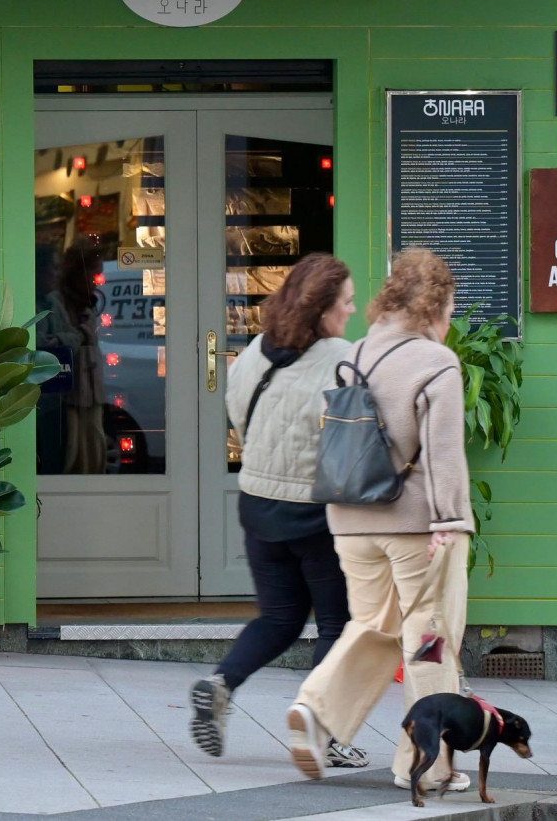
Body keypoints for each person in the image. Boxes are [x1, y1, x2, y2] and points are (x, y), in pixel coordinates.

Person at [285, 247, 474, 793]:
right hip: (416, 524)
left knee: (372, 626)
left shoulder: (358, 353)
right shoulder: (436, 363)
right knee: (429, 639)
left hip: (350, 520)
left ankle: (317, 712)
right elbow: (442, 452)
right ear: (438, 302)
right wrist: (450, 521)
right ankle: (426, 765)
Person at [189, 253, 369, 769]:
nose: (352, 312)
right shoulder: (345, 358)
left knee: (281, 617)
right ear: (323, 310)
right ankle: (323, 731)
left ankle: (221, 682)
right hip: (316, 514)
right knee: (338, 623)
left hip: (257, 504)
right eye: (348, 303)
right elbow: (354, 440)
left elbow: (239, 422)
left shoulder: (254, 353)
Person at [37, 238, 107, 474]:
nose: (95, 280)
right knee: (71, 452)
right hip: (69, 392)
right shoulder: (56, 302)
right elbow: (53, 341)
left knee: (93, 448)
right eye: (92, 273)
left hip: (90, 390)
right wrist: (75, 336)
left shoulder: (88, 303)